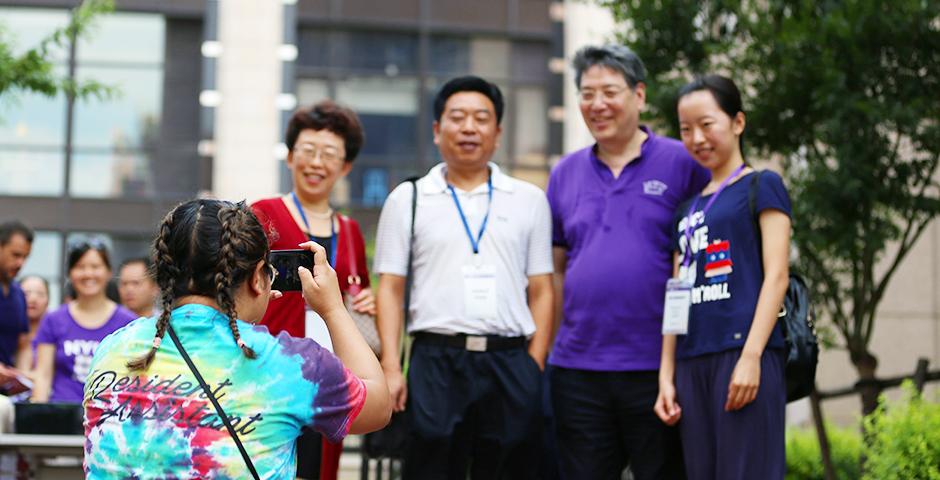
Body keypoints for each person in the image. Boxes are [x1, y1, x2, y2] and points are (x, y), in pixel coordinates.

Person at [83, 199, 390, 478]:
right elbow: (378, 406)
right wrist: (334, 308)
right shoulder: (289, 365)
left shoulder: (111, 349)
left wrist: (243, 308)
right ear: (258, 278)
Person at [374, 75, 554, 479]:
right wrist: (391, 366)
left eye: (481, 118)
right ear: (438, 130)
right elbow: (390, 288)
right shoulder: (409, 198)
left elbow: (542, 289)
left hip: (510, 361)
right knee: (431, 467)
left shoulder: (529, 200)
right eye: (457, 118)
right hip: (436, 360)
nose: (469, 127)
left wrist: (534, 365)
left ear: (498, 131)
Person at [546, 44, 710, 480]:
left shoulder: (683, 163)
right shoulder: (565, 173)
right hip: (578, 370)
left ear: (639, 95)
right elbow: (556, 271)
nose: (597, 104)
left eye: (609, 92)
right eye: (586, 93)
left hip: (657, 368)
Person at [654, 74, 790, 480]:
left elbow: (778, 275)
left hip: (744, 353)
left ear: (738, 122)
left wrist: (751, 358)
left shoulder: (762, 185)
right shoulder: (685, 209)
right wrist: (666, 373)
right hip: (693, 359)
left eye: (707, 124)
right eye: (685, 129)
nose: (696, 137)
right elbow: (676, 291)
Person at [251, 99, 375, 480]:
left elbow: (357, 294)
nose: (317, 163)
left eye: (330, 154)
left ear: (346, 166)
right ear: (290, 157)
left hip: (331, 376)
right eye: (308, 150)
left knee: (322, 468)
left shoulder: (350, 231)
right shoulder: (262, 213)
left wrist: (367, 302)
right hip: (270, 373)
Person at [31, 240, 137, 403]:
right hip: (61, 417)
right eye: (80, 267)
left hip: (109, 418)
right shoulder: (53, 320)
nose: (88, 274)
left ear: (109, 272)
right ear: (70, 273)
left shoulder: (129, 323)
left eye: (95, 267)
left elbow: (134, 378)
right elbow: (43, 376)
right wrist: (37, 416)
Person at [0, 222, 32, 430]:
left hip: (9, 392)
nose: (20, 263)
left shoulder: (19, 294)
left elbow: (23, 343)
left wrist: (24, 374)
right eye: (15, 255)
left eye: (25, 257)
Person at [19, 274, 50, 370]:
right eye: (26, 294)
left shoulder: (55, 333)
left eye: (40, 294)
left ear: (48, 301)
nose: (33, 299)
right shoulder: (6, 332)